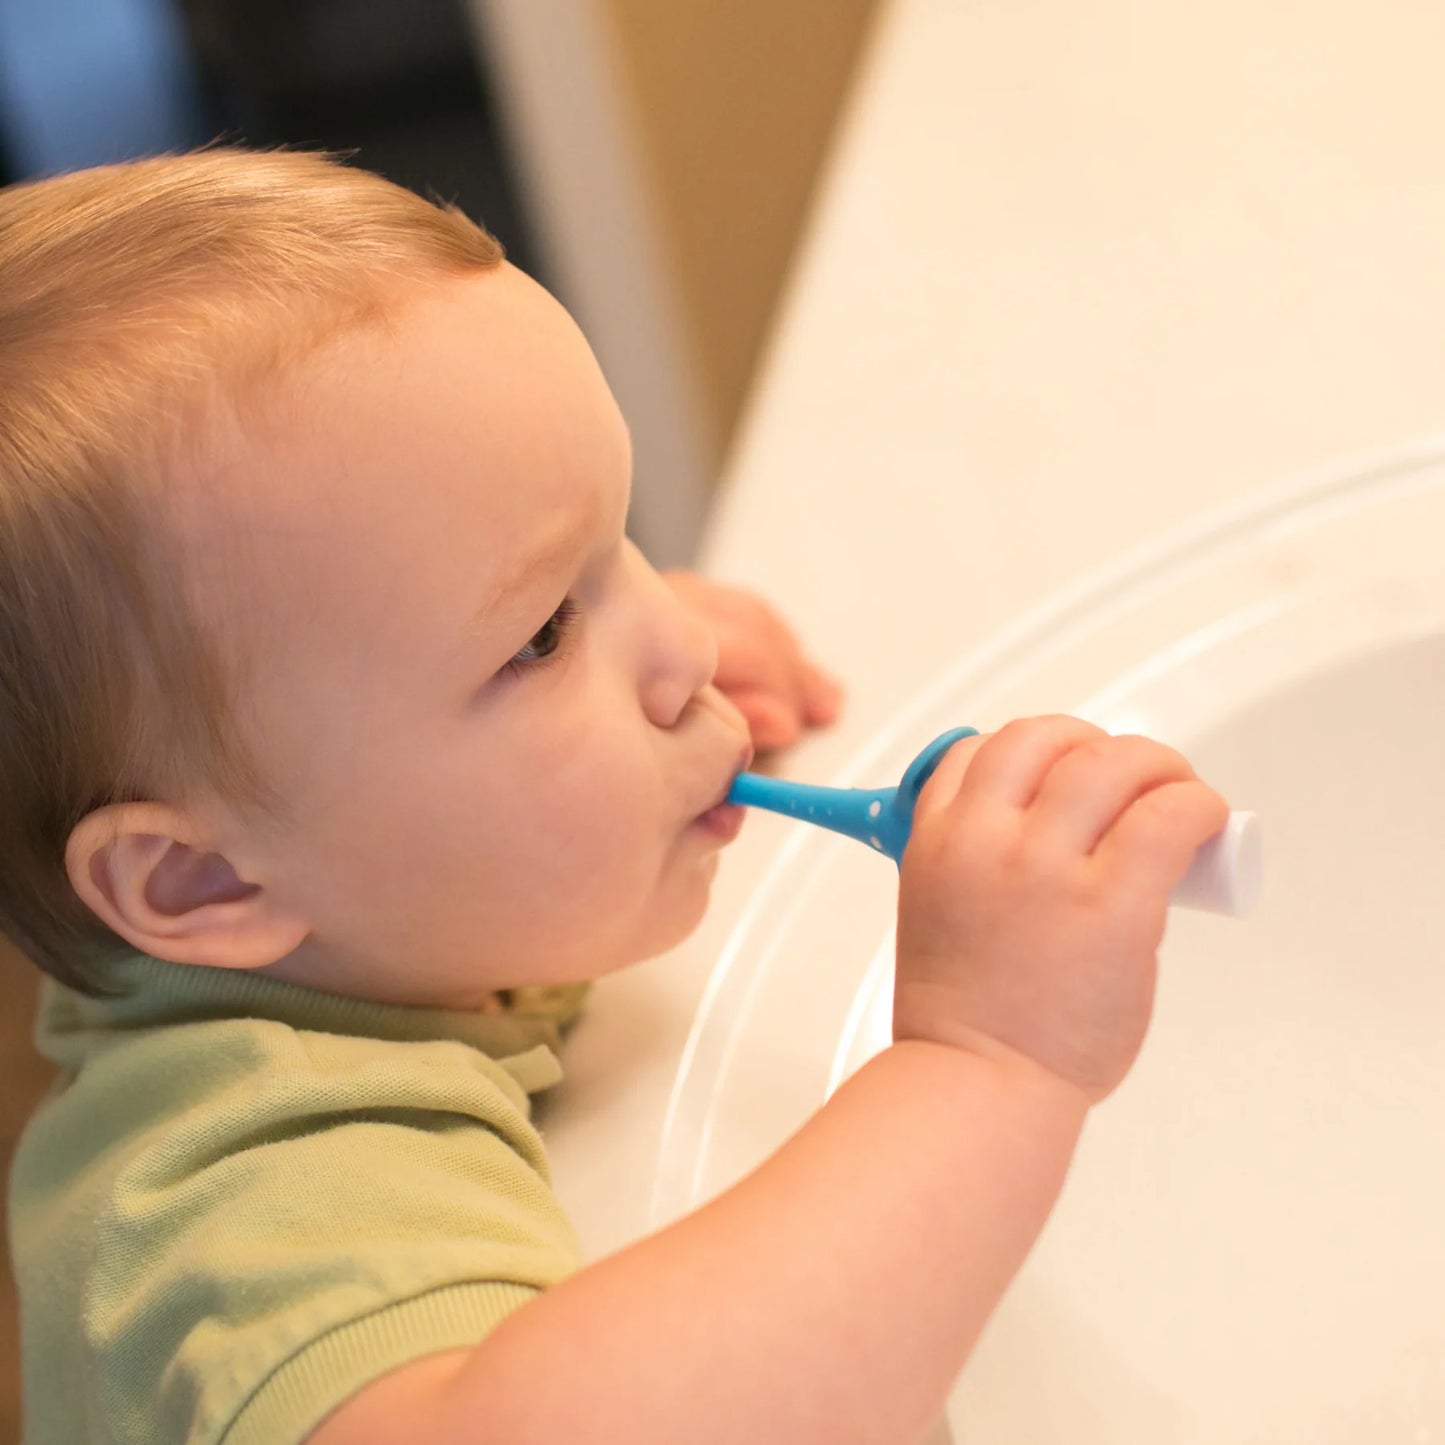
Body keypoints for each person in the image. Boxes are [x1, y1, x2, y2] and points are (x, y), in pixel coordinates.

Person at [0, 148, 1229, 1445]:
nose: (680, 650)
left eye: (623, 541)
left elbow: (355, 716)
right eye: (537, 633)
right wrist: (986, 1063)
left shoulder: (337, 885)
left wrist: (581, 644)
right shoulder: (231, 1214)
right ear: (203, 881)